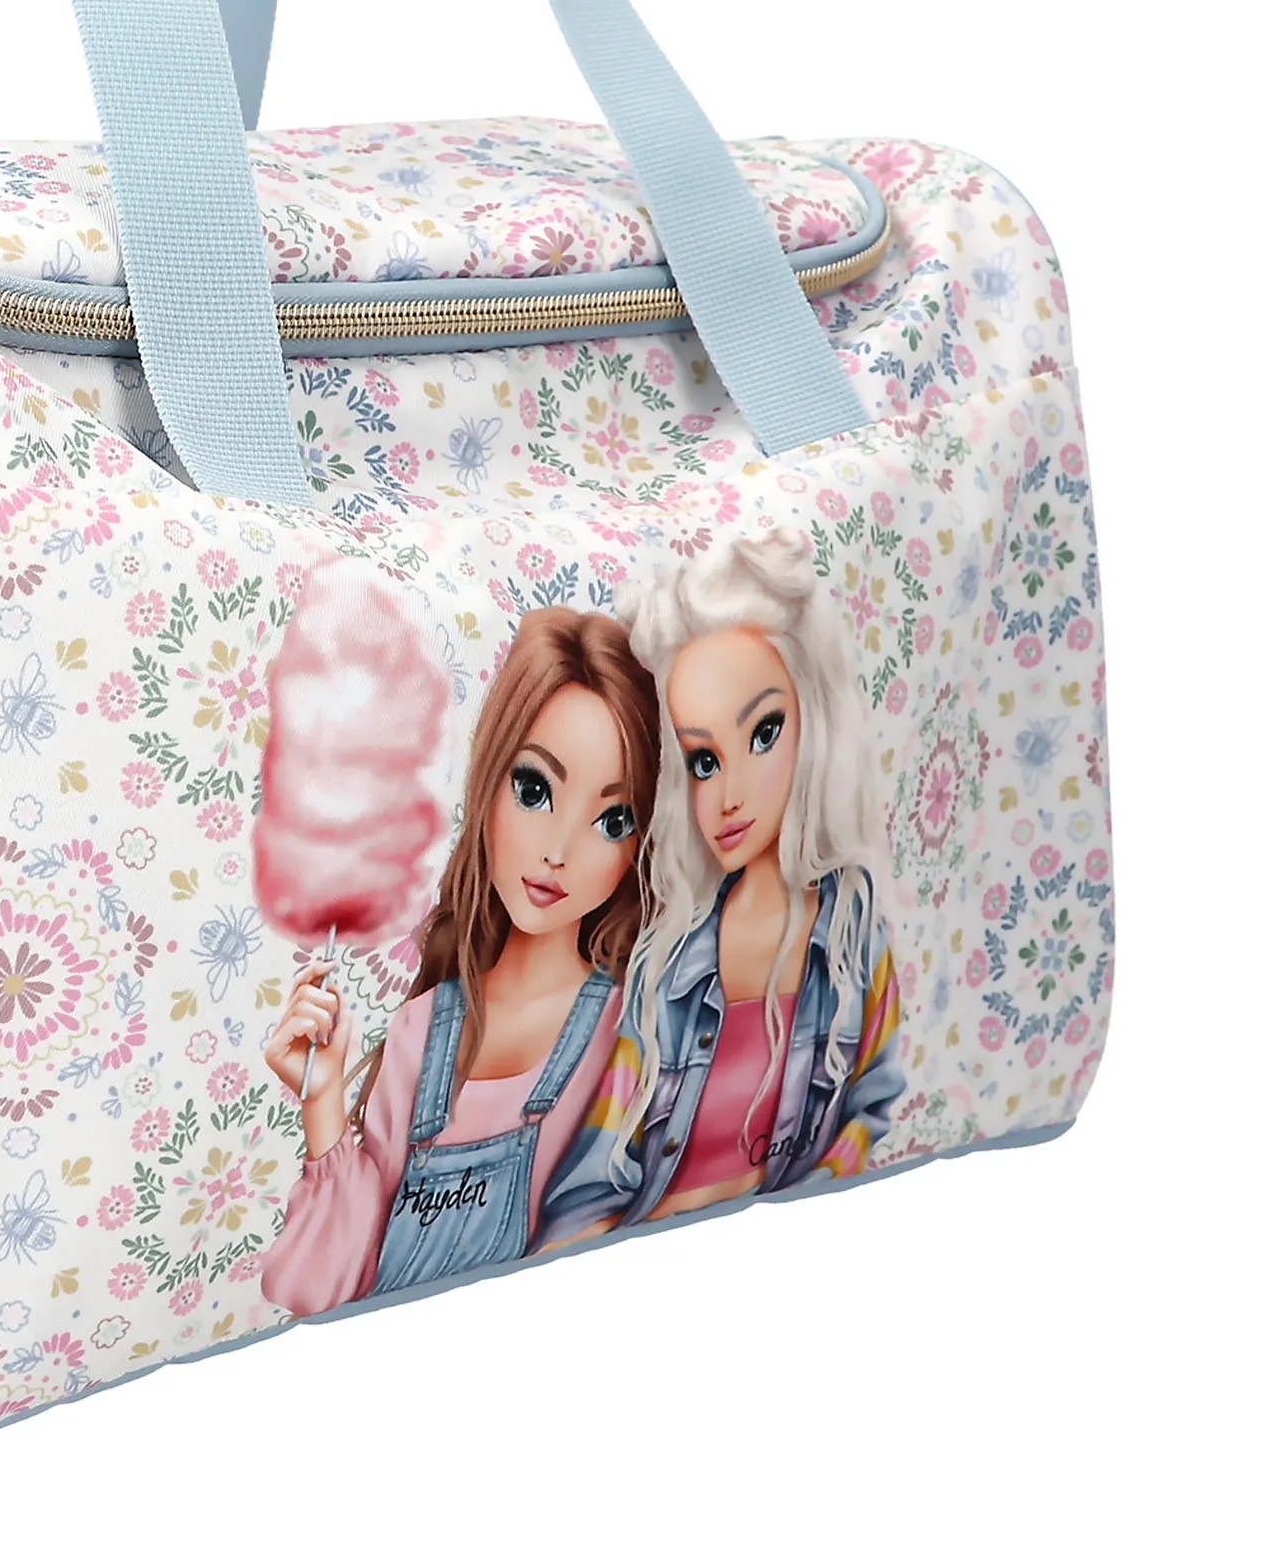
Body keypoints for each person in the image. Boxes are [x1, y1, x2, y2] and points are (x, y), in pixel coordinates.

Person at [260, 608, 658, 1316]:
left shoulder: (630, 1029)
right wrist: (322, 1104)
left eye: (611, 819)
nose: (558, 849)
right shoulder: (420, 1033)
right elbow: (319, 1290)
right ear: (489, 782)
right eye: (534, 790)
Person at [536, 531, 905, 1249]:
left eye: (762, 734)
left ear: (814, 720)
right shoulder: (668, 961)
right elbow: (594, 1175)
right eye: (702, 760)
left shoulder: (853, 929)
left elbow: (872, 1108)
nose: (728, 794)